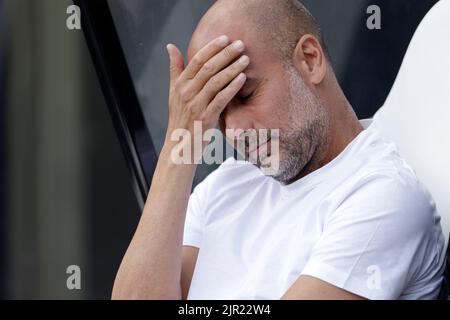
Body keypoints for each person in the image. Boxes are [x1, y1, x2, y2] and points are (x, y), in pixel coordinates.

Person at [112, 0, 446, 300]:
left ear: (310, 60)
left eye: (246, 95)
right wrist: (179, 140)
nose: (236, 131)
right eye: (218, 114)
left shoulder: (384, 198)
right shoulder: (223, 186)